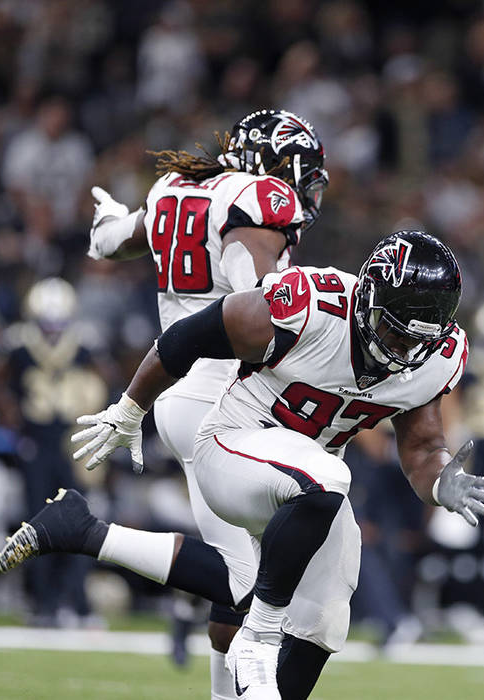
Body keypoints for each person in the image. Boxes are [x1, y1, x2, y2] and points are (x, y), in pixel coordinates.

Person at [0, 231, 484, 700]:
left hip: (302, 482)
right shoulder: (310, 306)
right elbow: (189, 337)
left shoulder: (435, 358)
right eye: (393, 329)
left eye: (416, 341)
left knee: (328, 614)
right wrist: (130, 409)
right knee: (327, 481)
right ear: (367, 297)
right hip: (234, 444)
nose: (402, 350)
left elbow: (423, 449)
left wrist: (438, 481)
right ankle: (256, 638)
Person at [79, 107, 345, 697]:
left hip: (178, 394)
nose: (305, 190)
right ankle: (81, 531)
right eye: (300, 174)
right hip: (221, 397)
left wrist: (109, 220)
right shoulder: (256, 201)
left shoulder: (175, 189)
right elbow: (254, 308)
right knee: (253, 573)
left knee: (250, 570)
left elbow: (111, 244)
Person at [1, 277, 107, 626]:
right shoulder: (19, 348)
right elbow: (5, 392)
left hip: (70, 443)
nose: (51, 331)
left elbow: (98, 388)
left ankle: (75, 601)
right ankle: (43, 602)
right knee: (35, 523)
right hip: (36, 445)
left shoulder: (84, 348)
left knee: (79, 522)